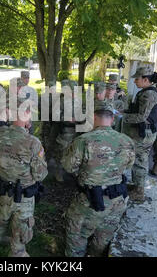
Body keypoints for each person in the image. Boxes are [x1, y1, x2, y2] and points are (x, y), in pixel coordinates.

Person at [61, 101, 135, 257]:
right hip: (117, 201)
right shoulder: (127, 141)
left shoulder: (84, 140)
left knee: (77, 239)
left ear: (93, 117)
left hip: (88, 202)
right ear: (113, 119)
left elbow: (69, 167)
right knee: (102, 241)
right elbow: (128, 165)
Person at [0, 98, 48, 257]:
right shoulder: (32, 142)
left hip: (1, 192)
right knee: (20, 231)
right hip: (23, 197)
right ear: (26, 113)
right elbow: (40, 174)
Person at [122, 66, 157, 202]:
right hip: (141, 132)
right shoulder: (144, 92)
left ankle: (139, 192)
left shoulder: (149, 94)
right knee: (137, 159)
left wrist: (122, 117)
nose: (135, 82)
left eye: (137, 79)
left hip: (144, 134)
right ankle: (137, 186)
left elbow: (141, 117)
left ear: (145, 80)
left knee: (139, 161)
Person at [55, 79, 79, 182]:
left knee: (75, 153)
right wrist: (67, 119)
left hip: (77, 132)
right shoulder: (61, 101)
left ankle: (73, 171)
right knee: (63, 153)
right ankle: (59, 173)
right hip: (65, 132)